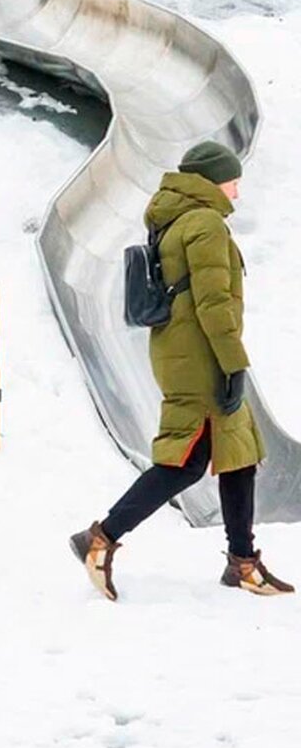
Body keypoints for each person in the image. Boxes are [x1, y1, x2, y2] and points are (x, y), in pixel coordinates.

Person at [71, 141, 293, 601]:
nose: (237, 188)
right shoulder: (204, 224)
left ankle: (242, 562)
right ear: (213, 179)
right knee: (186, 460)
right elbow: (214, 305)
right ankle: (101, 537)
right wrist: (234, 365)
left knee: (238, 455)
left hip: (184, 352)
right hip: (201, 359)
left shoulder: (176, 218)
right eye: (233, 179)